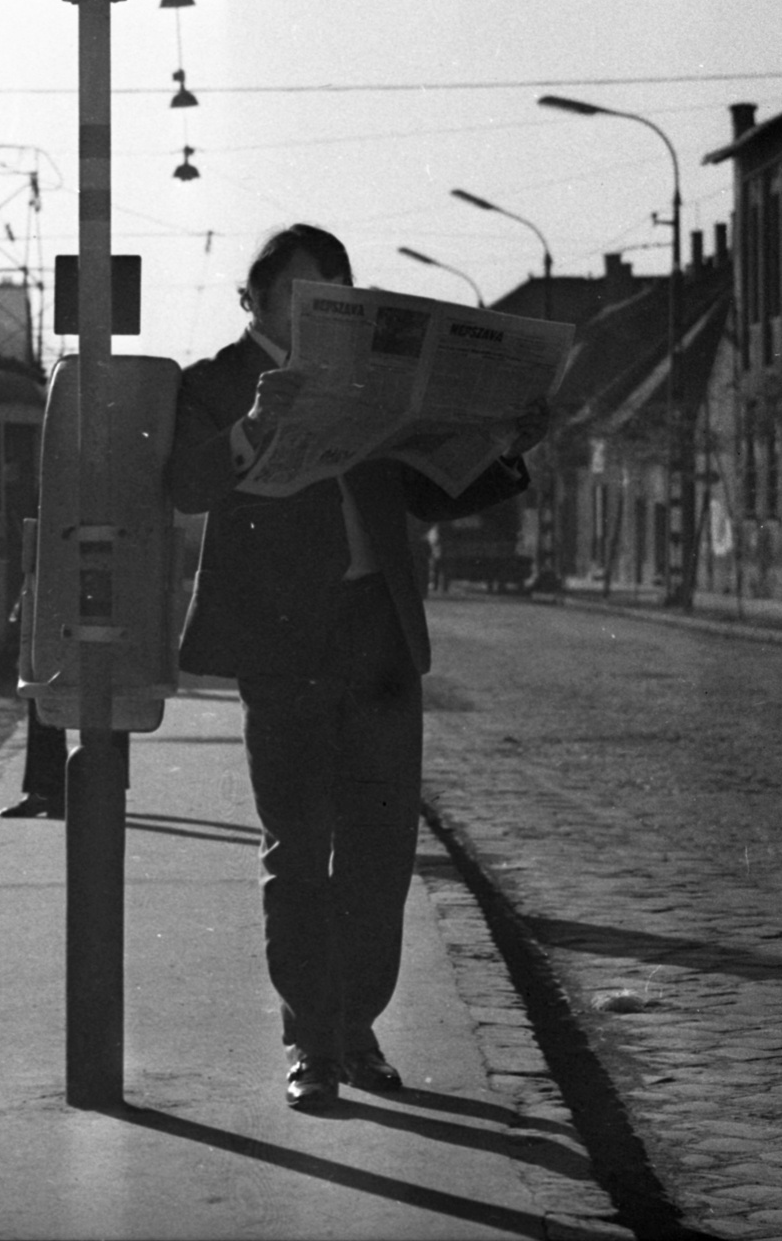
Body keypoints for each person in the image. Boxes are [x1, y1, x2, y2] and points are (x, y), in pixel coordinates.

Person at [166, 224, 549, 1112]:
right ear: (253, 303)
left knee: (379, 854)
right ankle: (310, 1042)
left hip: (377, 638)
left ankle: (357, 1028)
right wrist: (257, 423)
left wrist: (504, 442)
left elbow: (426, 491)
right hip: (282, 645)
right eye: (299, 300)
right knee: (299, 849)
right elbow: (187, 486)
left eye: (334, 298)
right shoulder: (214, 382)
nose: (315, 316)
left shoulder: (371, 382)